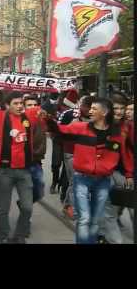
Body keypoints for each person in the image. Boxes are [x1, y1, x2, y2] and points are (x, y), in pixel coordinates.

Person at [43, 98, 134, 244]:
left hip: (103, 181)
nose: (90, 111)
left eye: (94, 109)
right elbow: (60, 130)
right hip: (82, 180)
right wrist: (48, 119)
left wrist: (129, 174)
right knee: (84, 218)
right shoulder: (81, 127)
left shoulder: (117, 133)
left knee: (96, 219)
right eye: (90, 108)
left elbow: (125, 154)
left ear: (104, 113)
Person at [0, 87, 43, 244]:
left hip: (24, 172)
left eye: (21, 103)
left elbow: (48, 107)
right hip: (5, 172)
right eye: (16, 103)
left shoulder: (30, 116)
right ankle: (5, 236)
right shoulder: (0, 117)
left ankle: (19, 235)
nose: (20, 106)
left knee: (27, 207)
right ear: (7, 105)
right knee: (3, 208)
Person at [97, 94, 133, 244]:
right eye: (115, 108)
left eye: (122, 108)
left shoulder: (128, 126)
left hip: (124, 174)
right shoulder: (100, 126)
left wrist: (130, 174)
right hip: (104, 175)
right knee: (108, 211)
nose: (119, 111)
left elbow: (128, 152)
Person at [58, 95, 94, 220]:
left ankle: (68, 205)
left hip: (86, 154)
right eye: (83, 105)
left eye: (87, 106)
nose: (84, 108)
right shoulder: (72, 116)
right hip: (71, 153)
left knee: (78, 182)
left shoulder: (96, 119)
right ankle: (74, 209)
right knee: (75, 181)